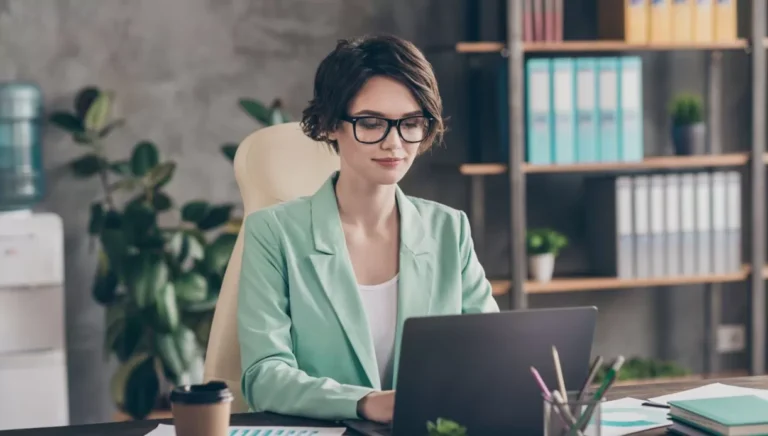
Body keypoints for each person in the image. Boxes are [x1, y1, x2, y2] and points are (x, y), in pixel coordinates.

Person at [237, 34, 499, 424]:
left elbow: (492, 352)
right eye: (371, 123)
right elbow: (264, 375)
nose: (394, 143)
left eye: (410, 123)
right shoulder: (274, 233)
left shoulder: (449, 229)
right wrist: (364, 402)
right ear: (329, 125)